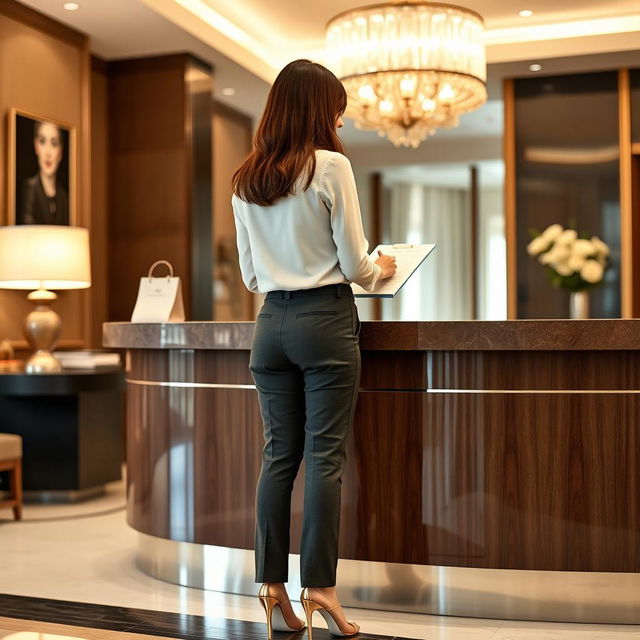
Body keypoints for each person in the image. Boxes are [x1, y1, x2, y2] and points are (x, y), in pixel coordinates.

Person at [231, 59, 396, 639]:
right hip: (324, 320)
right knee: (325, 459)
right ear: (316, 110)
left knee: (278, 457)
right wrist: (383, 267)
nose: (340, 120)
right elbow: (354, 266)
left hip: (269, 323)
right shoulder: (331, 167)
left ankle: (272, 590)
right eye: (335, 110)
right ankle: (321, 589)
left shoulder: (246, 178)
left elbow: (251, 275)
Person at [20, 120, 69, 225]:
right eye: (42, 142)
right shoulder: (30, 189)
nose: (48, 153)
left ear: (60, 151)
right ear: (36, 147)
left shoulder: (64, 198)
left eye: (54, 144)